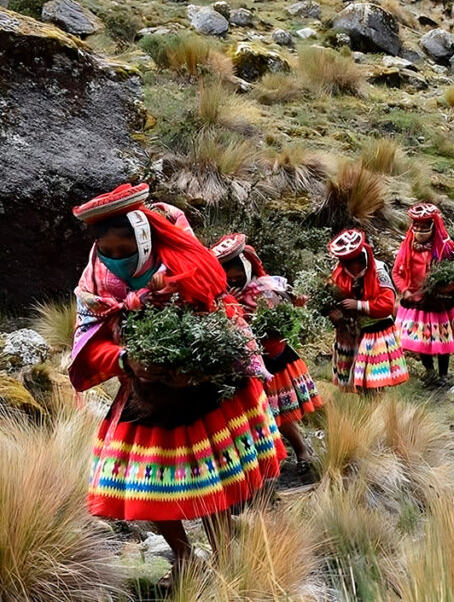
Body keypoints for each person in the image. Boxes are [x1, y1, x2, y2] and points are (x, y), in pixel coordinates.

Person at [69, 183, 284, 586]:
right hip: (146, 395)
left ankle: (225, 557)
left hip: (206, 392)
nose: (116, 260)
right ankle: (184, 554)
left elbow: (224, 318)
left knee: (214, 477)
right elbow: (89, 344)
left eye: (124, 250)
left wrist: (198, 368)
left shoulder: (188, 270)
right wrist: (124, 359)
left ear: (145, 239)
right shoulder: (95, 285)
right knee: (145, 484)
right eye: (108, 252)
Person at [210, 233, 322, 472]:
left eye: (237, 276)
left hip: (274, 360)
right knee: (265, 416)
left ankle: (301, 452)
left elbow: (283, 314)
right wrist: (231, 303)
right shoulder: (226, 295)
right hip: (247, 364)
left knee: (280, 415)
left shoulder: (266, 288)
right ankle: (270, 462)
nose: (233, 281)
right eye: (228, 278)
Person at [392, 203, 454, 385]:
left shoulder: (446, 247)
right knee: (422, 339)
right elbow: (397, 271)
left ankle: (443, 374)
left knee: (442, 338)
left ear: (433, 226)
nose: (419, 231)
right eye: (416, 227)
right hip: (417, 301)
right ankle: (430, 371)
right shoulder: (407, 247)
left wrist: (446, 286)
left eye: (424, 227)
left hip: (440, 302)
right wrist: (404, 290)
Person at [327, 229, 409, 392]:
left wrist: (358, 305)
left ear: (359, 260)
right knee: (358, 380)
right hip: (351, 332)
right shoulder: (340, 271)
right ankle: (365, 411)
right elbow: (332, 297)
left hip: (376, 331)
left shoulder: (378, 272)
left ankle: (377, 410)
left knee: (373, 380)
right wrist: (334, 314)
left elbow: (387, 304)